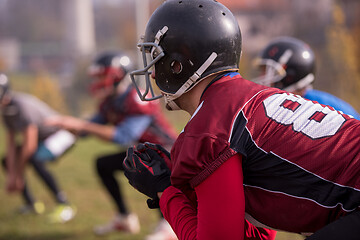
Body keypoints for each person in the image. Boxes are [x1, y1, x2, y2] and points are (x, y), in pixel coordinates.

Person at [122, 0, 360, 240]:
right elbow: (260, 235)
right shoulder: (253, 99)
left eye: (155, 57)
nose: (152, 72)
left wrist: (164, 190)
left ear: (177, 64)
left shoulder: (211, 127)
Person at [46, 51, 178, 239]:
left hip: (168, 152)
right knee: (103, 164)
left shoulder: (136, 98)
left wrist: (81, 125)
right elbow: (86, 130)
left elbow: (124, 136)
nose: (98, 81)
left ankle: (168, 226)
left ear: (118, 75)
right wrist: (62, 125)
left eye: (102, 76)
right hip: (144, 153)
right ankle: (124, 218)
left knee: (152, 167)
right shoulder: (109, 102)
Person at [0, 73, 77, 223]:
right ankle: (31, 204)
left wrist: (18, 176)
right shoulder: (5, 109)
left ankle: (65, 205)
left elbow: (30, 145)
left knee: (35, 159)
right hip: (42, 138)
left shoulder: (21, 106)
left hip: (60, 134)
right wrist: (11, 176)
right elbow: (10, 144)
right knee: (5, 161)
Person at [251, 36, 360, 119]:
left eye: (267, 71)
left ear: (290, 75)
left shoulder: (326, 108)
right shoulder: (287, 105)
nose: (262, 77)